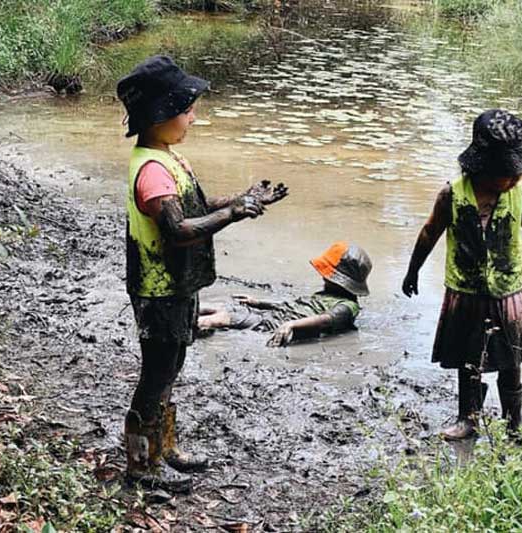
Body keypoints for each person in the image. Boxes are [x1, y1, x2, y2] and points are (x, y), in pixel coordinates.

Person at [117, 55, 288, 492]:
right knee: (156, 374)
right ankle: (141, 466)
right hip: (158, 290)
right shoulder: (152, 172)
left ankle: (164, 446)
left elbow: (198, 208)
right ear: (162, 116)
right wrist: (234, 213)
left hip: (178, 285)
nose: (194, 116)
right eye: (187, 108)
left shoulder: (169, 158)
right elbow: (177, 230)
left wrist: (245, 198)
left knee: (172, 366)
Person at [402, 109, 522, 441]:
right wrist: (413, 270)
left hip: (508, 291)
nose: (518, 178)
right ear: (487, 168)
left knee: (510, 362)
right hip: (466, 292)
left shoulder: (519, 195)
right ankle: (469, 419)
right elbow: (429, 232)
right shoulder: (453, 194)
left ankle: (513, 424)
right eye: (511, 171)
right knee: (469, 360)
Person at [197, 241, 371, 347]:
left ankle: (181, 328)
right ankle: (185, 311)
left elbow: (325, 319)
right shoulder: (326, 294)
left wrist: (291, 325)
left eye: (327, 275)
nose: (323, 278)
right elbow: (292, 305)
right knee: (220, 308)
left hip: (275, 323)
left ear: (340, 280)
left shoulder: (348, 307)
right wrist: (258, 302)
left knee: (220, 318)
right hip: (273, 314)